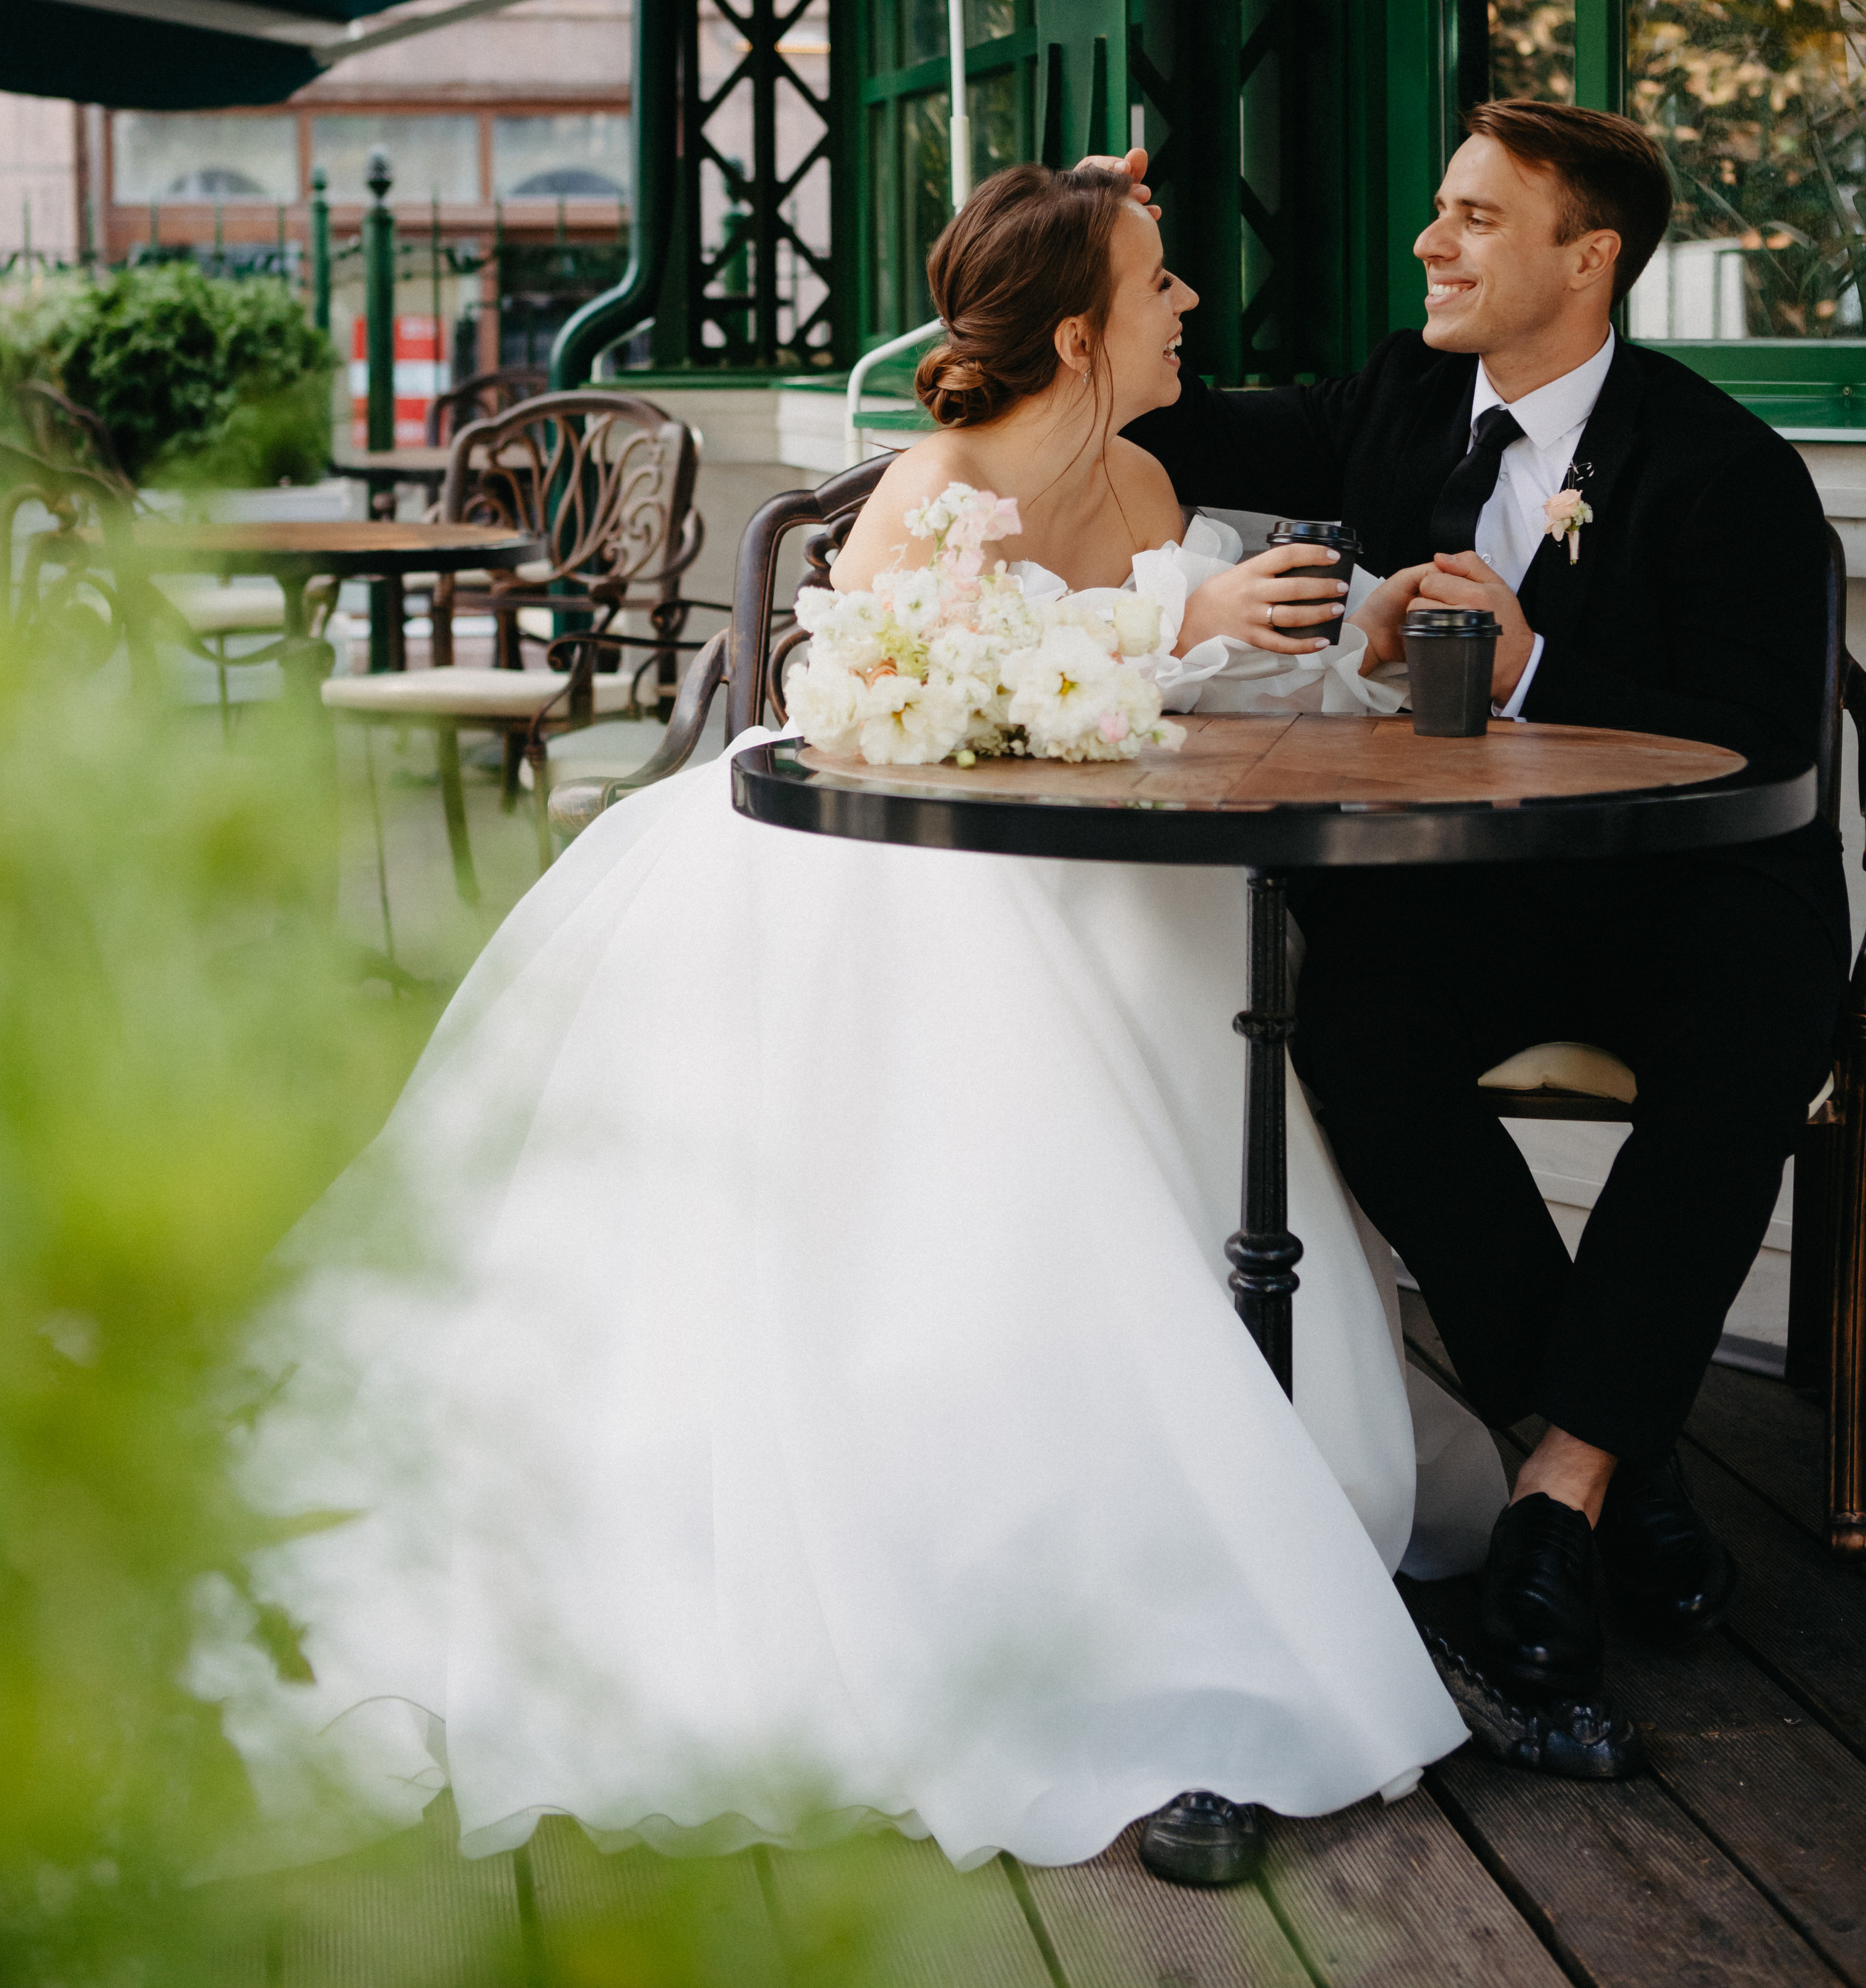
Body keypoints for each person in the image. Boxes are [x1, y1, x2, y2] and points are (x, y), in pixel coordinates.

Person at [202, 165, 1504, 1898]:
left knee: (1176, 985)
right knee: (1008, 1029)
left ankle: (1211, 1496)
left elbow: (1178, 691)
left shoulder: (1146, 479)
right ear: (1076, 330)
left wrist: (1338, 641)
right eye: (1159, 280)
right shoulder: (932, 484)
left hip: (1114, 874)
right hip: (881, 870)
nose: (1186, 302)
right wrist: (1157, 619)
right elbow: (891, 704)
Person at [1120, 100, 1848, 1757]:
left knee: (1742, 1047)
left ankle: (1562, 1485)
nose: (1425, 244)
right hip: (1487, 893)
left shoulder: (1725, 469)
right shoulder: (1396, 395)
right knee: (1353, 1029)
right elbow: (1192, 433)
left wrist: (1528, 663)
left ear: (1586, 259)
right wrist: (1075, 280)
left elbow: (1766, 745)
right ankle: (1607, 1470)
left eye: (1470, 218)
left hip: (1707, 893)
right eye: (1434, 212)